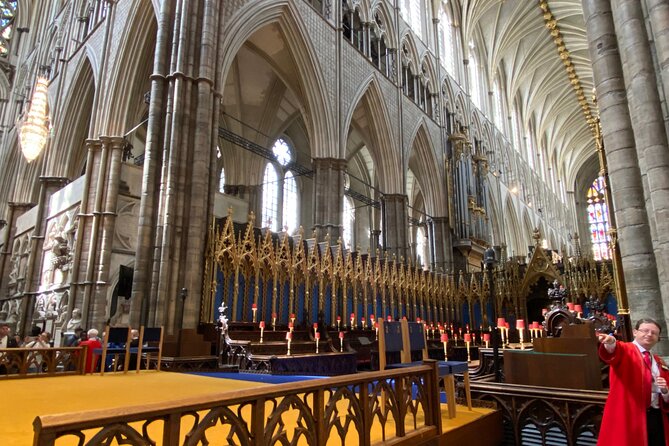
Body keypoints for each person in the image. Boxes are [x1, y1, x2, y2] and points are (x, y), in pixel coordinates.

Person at [597, 318, 669, 446]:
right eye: (645, 330)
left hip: (655, 416)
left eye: (654, 333)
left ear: (658, 338)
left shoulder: (659, 361)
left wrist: (665, 391)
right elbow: (614, 350)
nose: (649, 334)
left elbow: (666, 393)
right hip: (630, 414)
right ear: (635, 332)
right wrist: (610, 342)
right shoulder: (626, 350)